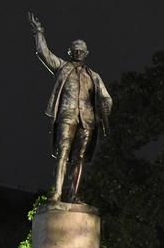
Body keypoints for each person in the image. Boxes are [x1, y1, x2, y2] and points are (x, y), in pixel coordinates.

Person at [28, 12, 112, 202]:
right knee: (63, 153)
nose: (78, 52)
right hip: (67, 115)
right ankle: (57, 193)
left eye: (82, 50)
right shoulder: (62, 67)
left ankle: (74, 195)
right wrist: (39, 32)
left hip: (87, 120)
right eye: (75, 50)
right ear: (69, 52)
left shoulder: (94, 76)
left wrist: (104, 109)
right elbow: (44, 54)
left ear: (87, 53)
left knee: (80, 157)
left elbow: (107, 98)